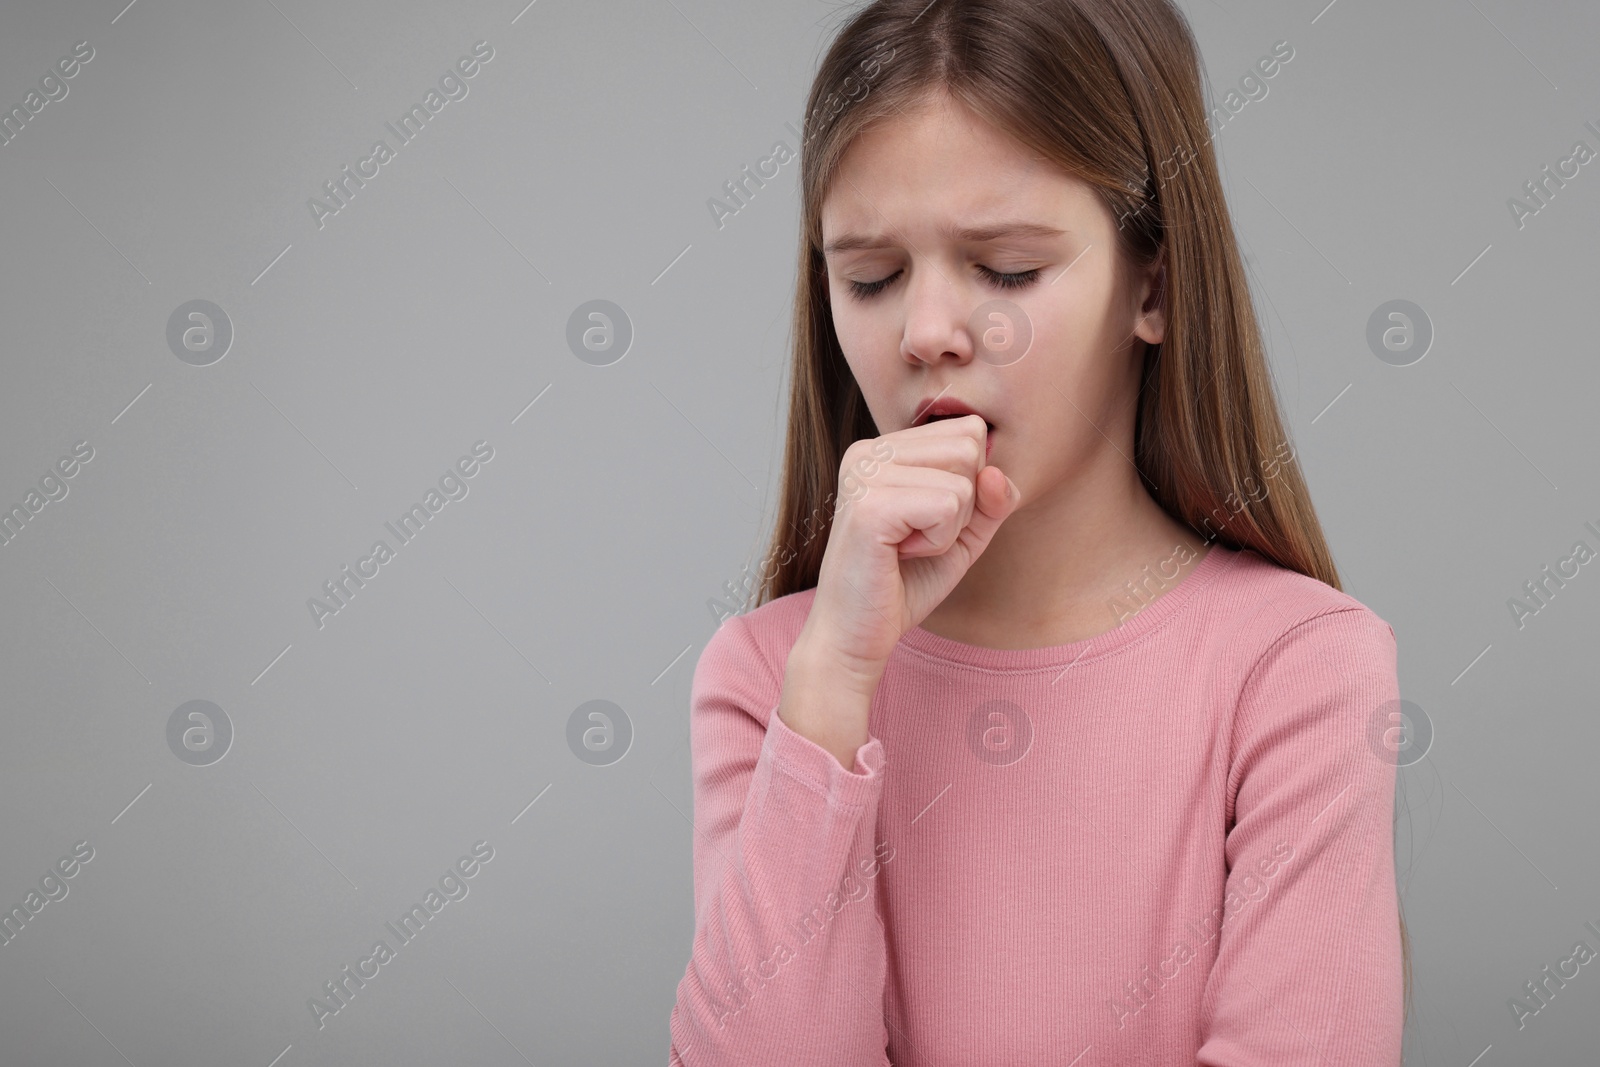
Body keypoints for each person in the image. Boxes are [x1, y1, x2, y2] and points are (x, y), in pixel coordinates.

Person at [669, 0, 1407, 1062]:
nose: (926, 333)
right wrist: (831, 683)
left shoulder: (1299, 669)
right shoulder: (771, 679)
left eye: (1006, 268)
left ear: (1150, 282)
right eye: (869, 277)